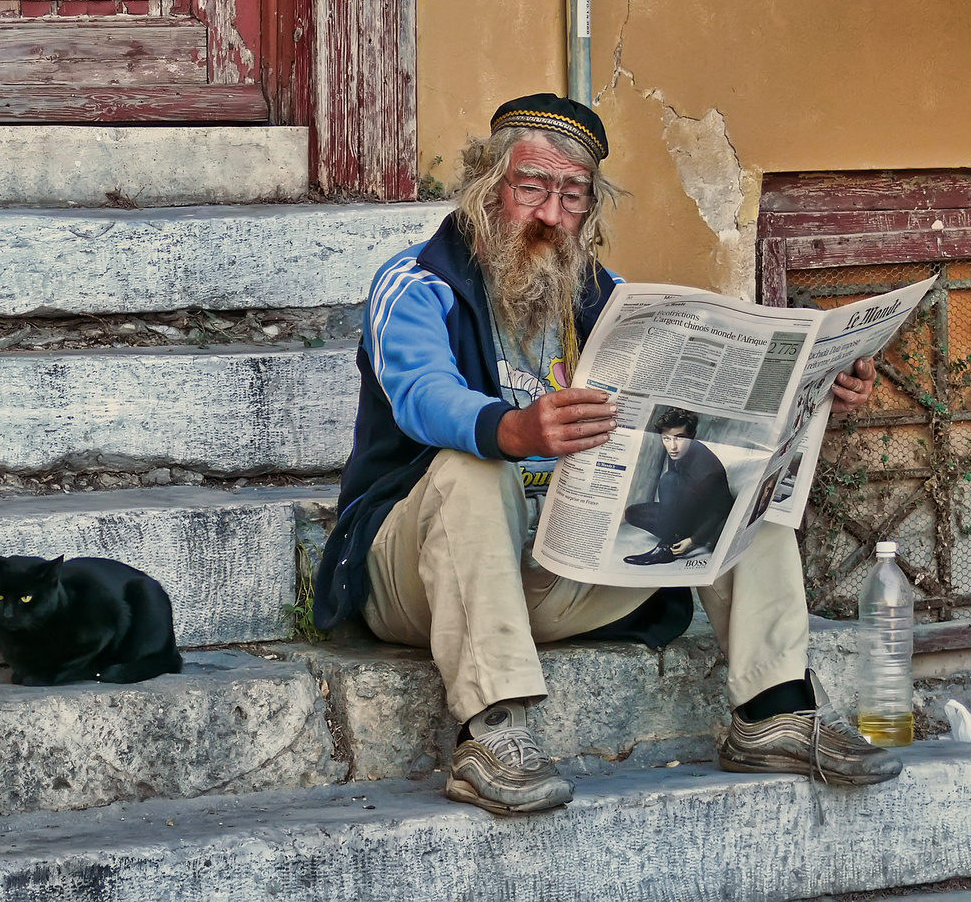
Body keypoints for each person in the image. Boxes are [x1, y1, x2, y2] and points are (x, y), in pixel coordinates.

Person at [312, 92, 896, 816]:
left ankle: (773, 711)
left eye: (572, 196)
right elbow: (423, 395)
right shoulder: (417, 284)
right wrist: (513, 430)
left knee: (743, 474)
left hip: (561, 565)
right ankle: (492, 732)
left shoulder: (604, 299)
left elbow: (691, 417)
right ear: (487, 189)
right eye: (532, 189)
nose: (551, 216)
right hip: (416, 577)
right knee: (473, 467)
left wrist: (813, 389)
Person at [622, 407, 736, 565]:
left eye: (679, 438)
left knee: (668, 480)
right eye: (666, 439)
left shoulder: (707, 470)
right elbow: (678, 494)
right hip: (684, 512)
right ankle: (674, 532)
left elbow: (721, 510)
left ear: (692, 436)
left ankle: (666, 547)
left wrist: (693, 540)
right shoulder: (678, 452)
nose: (672, 446)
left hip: (702, 521)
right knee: (632, 513)